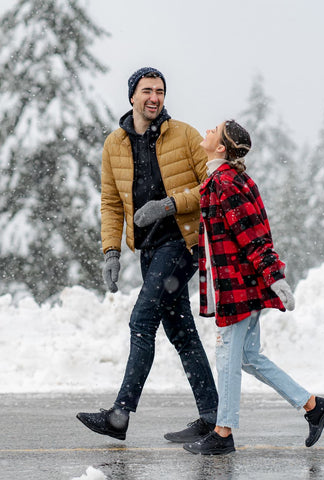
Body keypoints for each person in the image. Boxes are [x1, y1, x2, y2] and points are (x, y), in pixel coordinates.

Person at [76, 67, 218, 442]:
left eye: (160, 91)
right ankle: (212, 416)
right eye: (147, 90)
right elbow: (110, 203)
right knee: (180, 331)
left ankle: (120, 414)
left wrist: (169, 205)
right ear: (132, 97)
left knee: (142, 320)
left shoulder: (184, 135)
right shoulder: (114, 145)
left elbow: (213, 188)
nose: (154, 97)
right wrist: (110, 251)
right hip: (149, 250)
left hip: (183, 243)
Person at [183, 120, 324, 455]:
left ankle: (223, 433)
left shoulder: (226, 182)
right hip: (240, 284)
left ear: (221, 147)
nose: (207, 130)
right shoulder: (223, 179)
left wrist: (274, 275)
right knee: (248, 358)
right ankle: (312, 406)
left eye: (214, 129)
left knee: (226, 357)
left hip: (237, 286)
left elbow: (252, 234)